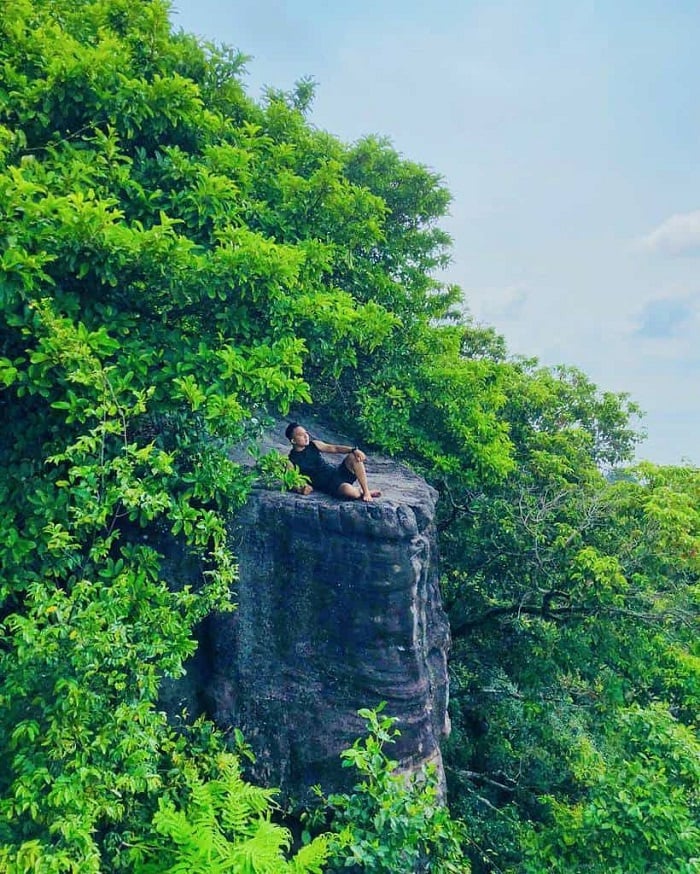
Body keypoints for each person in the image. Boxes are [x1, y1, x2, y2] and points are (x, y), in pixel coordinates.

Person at [285, 422, 381, 502]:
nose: (306, 436)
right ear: (293, 440)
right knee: (351, 492)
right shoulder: (291, 461)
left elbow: (334, 448)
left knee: (354, 457)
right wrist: (301, 489)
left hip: (336, 472)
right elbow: (290, 483)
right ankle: (360, 492)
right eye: (301, 435)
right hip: (330, 485)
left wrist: (353, 450)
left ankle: (366, 491)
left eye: (306, 433)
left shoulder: (314, 444)